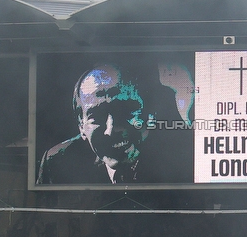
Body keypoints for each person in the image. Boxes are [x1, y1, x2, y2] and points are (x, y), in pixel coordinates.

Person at [37, 63, 189, 185]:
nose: (110, 130)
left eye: (125, 111)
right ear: (81, 125)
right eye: (96, 117)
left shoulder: (186, 155)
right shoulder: (57, 161)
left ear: (151, 114)